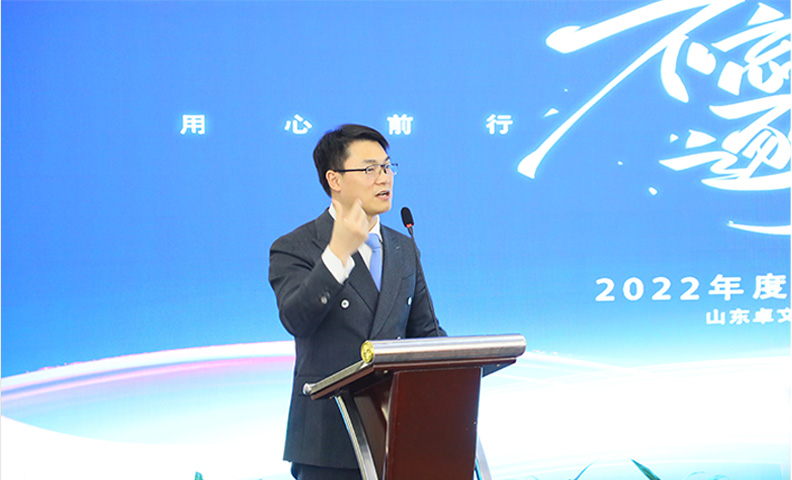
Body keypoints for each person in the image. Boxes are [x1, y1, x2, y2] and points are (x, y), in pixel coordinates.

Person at [269, 124, 445, 480]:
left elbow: (425, 333)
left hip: (399, 433)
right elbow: (296, 318)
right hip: (328, 440)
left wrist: (460, 366)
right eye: (369, 169)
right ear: (334, 179)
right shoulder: (296, 246)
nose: (384, 178)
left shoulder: (403, 247)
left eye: (387, 166)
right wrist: (338, 253)